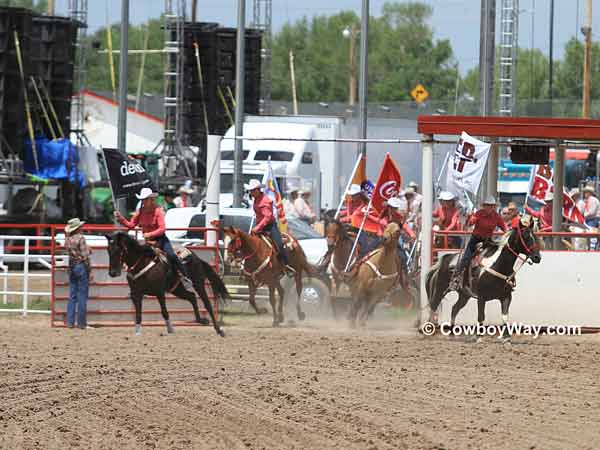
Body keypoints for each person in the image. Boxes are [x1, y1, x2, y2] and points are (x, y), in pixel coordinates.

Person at [114, 188, 195, 291]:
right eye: (142, 199)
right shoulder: (141, 211)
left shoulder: (158, 211)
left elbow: (162, 229)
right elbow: (131, 225)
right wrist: (121, 219)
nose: (143, 201)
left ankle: (185, 277)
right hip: (148, 242)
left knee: (172, 255)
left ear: (150, 199)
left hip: (160, 240)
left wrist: (150, 234)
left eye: (145, 199)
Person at [450, 196, 507, 292]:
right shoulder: (478, 214)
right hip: (475, 240)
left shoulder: (496, 216)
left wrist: (507, 234)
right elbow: (470, 223)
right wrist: (469, 219)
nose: (489, 208)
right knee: (466, 258)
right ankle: (456, 278)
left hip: (488, 241)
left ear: (493, 207)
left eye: (491, 206)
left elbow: (504, 228)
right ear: (484, 206)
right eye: (487, 205)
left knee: (498, 255)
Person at [245, 179, 291, 268]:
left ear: (258, 190)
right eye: (251, 191)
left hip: (270, 226)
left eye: (253, 190)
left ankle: (286, 264)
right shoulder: (256, 200)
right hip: (260, 226)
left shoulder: (266, 201)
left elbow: (267, 217)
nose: (252, 192)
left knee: (279, 244)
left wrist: (257, 227)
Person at [64, 218, 91, 329]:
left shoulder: (68, 239)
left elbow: (71, 251)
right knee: (82, 295)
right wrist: (89, 269)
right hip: (81, 266)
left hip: (72, 266)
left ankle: (70, 322)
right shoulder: (81, 238)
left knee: (72, 295)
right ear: (78, 228)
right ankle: (81, 323)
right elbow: (85, 256)